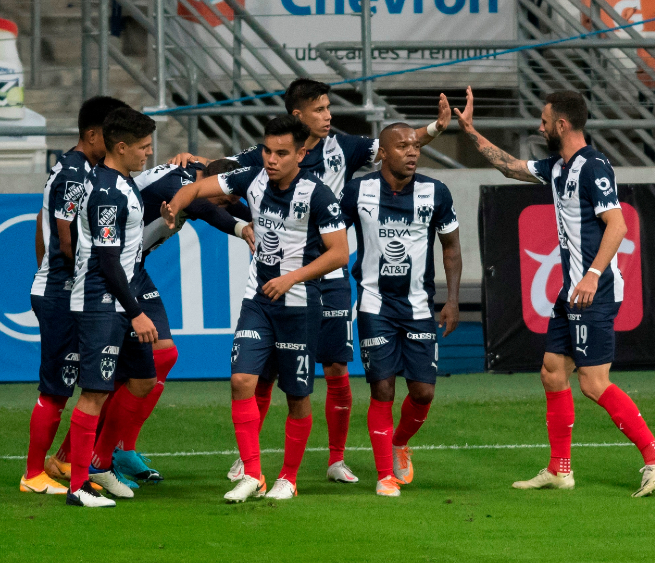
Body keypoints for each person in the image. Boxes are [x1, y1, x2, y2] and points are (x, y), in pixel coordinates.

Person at [170, 79, 457, 485]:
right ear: (298, 117)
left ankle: (336, 459)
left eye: (328, 107)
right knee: (266, 370)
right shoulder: (269, 155)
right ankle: (247, 458)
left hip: (331, 275)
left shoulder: (347, 147)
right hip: (284, 275)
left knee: (337, 366)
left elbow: (395, 146)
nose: (328, 115)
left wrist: (436, 129)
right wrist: (195, 161)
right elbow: (225, 172)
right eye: (320, 109)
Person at [456, 88, 655, 497]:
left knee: (593, 382)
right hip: (570, 291)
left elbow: (618, 225)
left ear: (561, 124)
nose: (539, 128)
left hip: (592, 289)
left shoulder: (593, 167)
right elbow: (511, 167)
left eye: (543, 121)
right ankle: (560, 470)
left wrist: (593, 275)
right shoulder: (558, 167)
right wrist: (470, 131)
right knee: (552, 372)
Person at [162, 115, 348, 503]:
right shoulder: (251, 178)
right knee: (241, 381)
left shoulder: (319, 195)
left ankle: (289, 477)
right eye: (267, 150)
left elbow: (339, 254)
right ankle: (252, 473)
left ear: (301, 154)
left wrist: (293, 278)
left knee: (296, 397)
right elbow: (200, 188)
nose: (271, 159)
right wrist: (176, 204)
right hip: (258, 299)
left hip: (298, 303)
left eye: (282, 153)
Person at [49, 159, 255, 486]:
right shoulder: (180, 187)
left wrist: (269, 219)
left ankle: (118, 449)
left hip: (135, 269)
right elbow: (208, 209)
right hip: (110, 272)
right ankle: (82, 459)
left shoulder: (197, 170)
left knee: (161, 356)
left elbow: (225, 196)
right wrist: (243, 227)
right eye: (225, 196)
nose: (227, 203)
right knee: (115, 373)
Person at [339, 123, 462, 497]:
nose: (412, 151)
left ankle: (398, 443)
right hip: (375, 305)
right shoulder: (358, 191)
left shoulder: (435, 192)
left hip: (419, 306)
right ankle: (383, 476)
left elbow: (452, 247)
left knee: (423, 393)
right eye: (402, 145)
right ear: (384, 153)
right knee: (383, 388)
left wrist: (452, 299)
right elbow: (329, 235)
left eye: (415, 145)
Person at [21, 96, 129, 496]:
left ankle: (64, 463)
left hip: (64, 288)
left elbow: (41, 221)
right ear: (92, 134)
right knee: (57, 386)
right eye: (111, 134)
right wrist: (58, 274)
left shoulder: (81, 170)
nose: (116, 142)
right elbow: (64, 237)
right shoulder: (73, 174)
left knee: (85, 382)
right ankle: (34, 474)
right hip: (62, 292)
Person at [65, 108, 158, 507]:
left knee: (143, 380)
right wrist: (135, 310)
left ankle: (100, 463)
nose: (148, 154)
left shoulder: (122, 183)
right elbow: (106, 259)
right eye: (143, 147)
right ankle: (78, 486)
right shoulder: (106, 191)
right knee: (94, 393)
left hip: (120, 299)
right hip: (101, 302)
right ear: (120, 147)